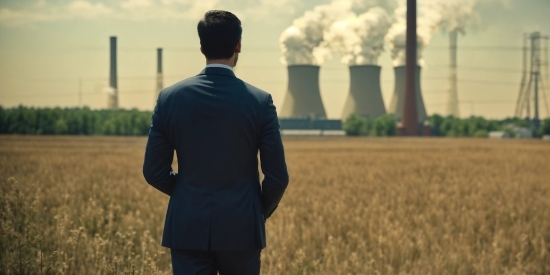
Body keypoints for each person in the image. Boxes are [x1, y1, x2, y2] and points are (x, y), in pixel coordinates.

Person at [143, 10, 289, 275]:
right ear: (238, 45)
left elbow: (153, 171)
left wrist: (188, 191)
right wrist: (256, 210)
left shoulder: (169, 98)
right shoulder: (260, 101)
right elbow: (278, 177)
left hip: (187, 227)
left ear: (201, 47)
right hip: (242, 228)